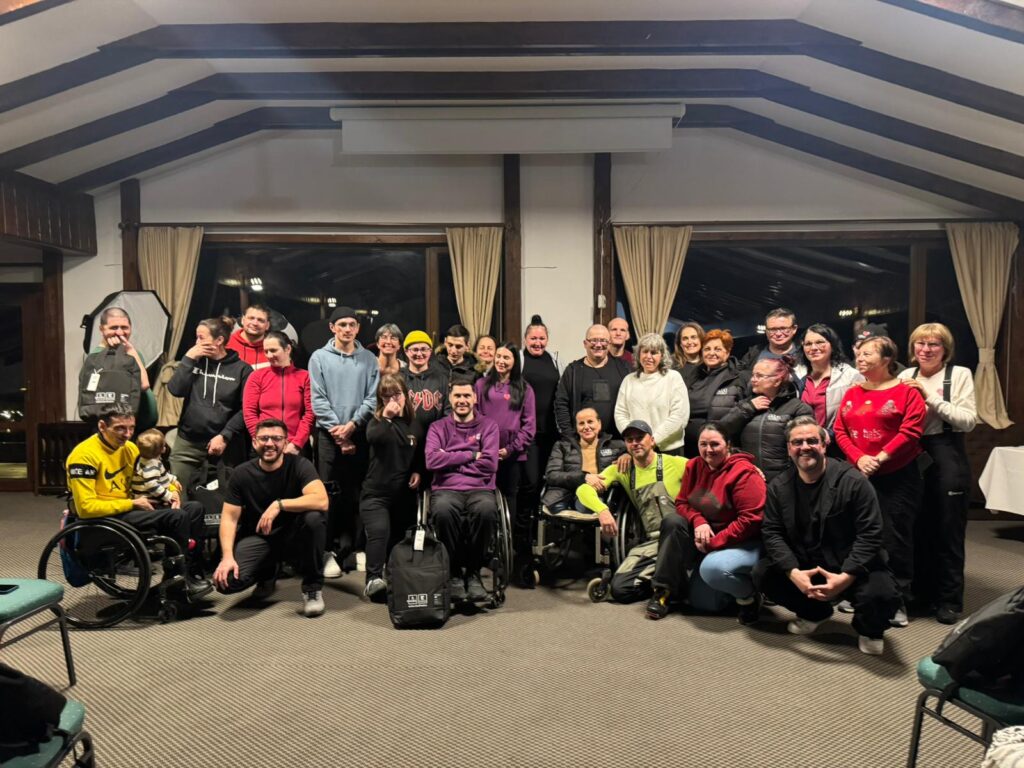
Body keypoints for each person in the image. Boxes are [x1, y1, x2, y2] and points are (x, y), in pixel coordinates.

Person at [752, 416, 901, 656]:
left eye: (812, 441)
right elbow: (772, 532)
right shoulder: (779, 487)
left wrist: (845, 577)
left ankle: (870, 630)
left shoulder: (854, 482)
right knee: (763, 574)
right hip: (807, 563)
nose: (804, 447)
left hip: (851, 564)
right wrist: (793, 572)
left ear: (824, 444)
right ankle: (815, 613)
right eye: (797, 442)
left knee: (882, 594)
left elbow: (871, 535)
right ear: (789, 448)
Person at [65, 404, 209, 595]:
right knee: (177, 517)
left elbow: (157, 474)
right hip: (103, 519)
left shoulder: (130, 448)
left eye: (131, 428)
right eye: (120, 428)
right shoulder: (84, 456)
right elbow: (86, 508)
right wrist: (132, 503)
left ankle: (189, 572)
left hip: (132, 508)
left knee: (194, 509)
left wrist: (172, 492)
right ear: (102, 426)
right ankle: (176, 582)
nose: (127, 434)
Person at [834, 335, 926, 627]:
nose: (860, 358)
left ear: (887, 359)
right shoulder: (852, 392)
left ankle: (896, 600)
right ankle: (859, 592)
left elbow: (911, 431)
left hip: (897, 474)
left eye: (868, 354)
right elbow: (840, 430)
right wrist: (859, 458)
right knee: (856, 534)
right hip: (859, 473)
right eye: (859, 354)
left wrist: (879, 458)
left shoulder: (907, 392)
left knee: (894, 537)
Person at [898, 322, 978, 624]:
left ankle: (949, 600)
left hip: (947, 450)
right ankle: (921, 593)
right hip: (912, 451)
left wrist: (929, 397)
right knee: (917, 527)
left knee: (948, 528)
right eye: (921, 343)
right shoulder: (906, 375)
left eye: (934, 344)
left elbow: (968, 420)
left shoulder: (959, 375)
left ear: (945, 349)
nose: (926, 349)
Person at [212, 418, 329, 618]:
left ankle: (312, 588)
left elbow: (322, 500)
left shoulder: (300, 465)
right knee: (226, 582)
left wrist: (279, 504)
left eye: (276, 438)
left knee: (314, 519)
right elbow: (229, 518)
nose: (270, 443)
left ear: (285, 442)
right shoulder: (241, 473)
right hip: (261, 538)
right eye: (264, 438)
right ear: (254, 442)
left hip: (295, 538)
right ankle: (268, 572)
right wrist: (227, 557)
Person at [649, 422, 766, 622]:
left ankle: (750, 594)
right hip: (707, 537)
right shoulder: (694, 466)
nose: (708, 450)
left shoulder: (744, 473)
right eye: (703, 444)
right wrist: (698, 520)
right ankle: (663, 591)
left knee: (707, 596)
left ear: (728, 445)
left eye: (715, 444)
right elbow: (682, 502)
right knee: (673, 522)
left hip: (742, 542)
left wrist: (713, 543)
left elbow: (750, 521)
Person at [575, 420, 686, 604]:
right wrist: (603, 511)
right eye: (629, 440)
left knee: (673, 522)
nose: (635, 443)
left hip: (679, 538)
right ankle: (672, 582)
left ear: (652, 440)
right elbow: (583, 491)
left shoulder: (675, 463)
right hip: (653, 542)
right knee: (620, 590)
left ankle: (666, 586)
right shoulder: (622, 470)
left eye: (640, 438)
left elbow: (709, 472)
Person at [308, 306, 380, 578]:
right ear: (332, 328)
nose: (347, 329)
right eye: (342, 325)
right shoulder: (319, 358)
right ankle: (328, 551)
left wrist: (352, 426)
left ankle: (357, 549)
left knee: (360, 493)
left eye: (352, 324)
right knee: (328, 495)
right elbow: (318, 400)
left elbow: (372, 398)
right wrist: (339, 433)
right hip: (329, 435)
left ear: (358, 328)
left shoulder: (369, 359)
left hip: (360, 432)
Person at [425, 374, 500, 603]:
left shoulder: (489, 426)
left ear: (475, 398)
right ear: (450, 398)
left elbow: (490, 464)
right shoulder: (437, 427)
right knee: (443, 511)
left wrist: (449, 459)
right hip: (445, 489)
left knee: (486, 511)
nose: (462, 400)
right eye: (457, 395)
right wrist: (471, 455)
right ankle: (455, 573)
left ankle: (474, 572)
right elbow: (432, 461)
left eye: (467, 395)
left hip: (480, 488)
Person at [167, 317, 252, 499]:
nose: (197, 342)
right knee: (179, 498)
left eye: (201, 337)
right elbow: (175, 390)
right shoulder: (194, 362)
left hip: (223, 446)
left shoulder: (242, 370)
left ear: (219, 340)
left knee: (219, 501)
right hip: (187, 443)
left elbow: (246, 409)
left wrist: (225, 435)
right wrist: (188, 358)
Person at [475, 343, 536, 582]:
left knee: (509, 502)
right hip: (485, 455)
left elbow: (529, 426)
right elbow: (475, 417)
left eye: (506, 358)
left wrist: (509, 449)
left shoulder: (525, 389)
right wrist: (487, 447)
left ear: (514, 362)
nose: (501, 361)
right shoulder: (481, 385)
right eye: (498, 356)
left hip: (512, 457)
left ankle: (504, 552)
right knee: (484, 501)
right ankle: (484, 551)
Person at [360, 374, 424, 601]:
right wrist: (386, 417)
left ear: (405, 395)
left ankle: (394, 576)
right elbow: (374, 438)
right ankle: (373, 579)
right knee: (379, 532)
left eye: (396, 394)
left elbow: (419, 453)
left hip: (403, 494)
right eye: (386, 396)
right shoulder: (376, 422)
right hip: (376, 494)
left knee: (399, 538)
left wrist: (418, 470)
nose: (393, 400)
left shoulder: (414, 424)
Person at [719, 356, 813, 481]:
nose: (753, 379)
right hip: (748, 476)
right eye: (753, 375)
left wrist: (788, 476)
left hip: (785, 480)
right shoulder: (745, 404)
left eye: (759, 376)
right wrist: (748, 408)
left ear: (777, 381)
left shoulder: (798, 408)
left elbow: (804, 447)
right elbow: (722, 432)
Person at [518, 315, 563, 534]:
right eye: (533, 338)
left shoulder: (555, 360)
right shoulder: (519, 360)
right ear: (525, 339)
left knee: (550, 483)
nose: (538, 343)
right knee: (531, 484)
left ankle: (544, 531)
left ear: (547, 339)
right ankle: (524, 534)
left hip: (552, 434)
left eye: (542, 338)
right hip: (528, 435)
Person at [614, 332, 689, 455]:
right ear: (638, 354)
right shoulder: (629, 380)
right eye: (645, 352)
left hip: (669, 450)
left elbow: (679, 416)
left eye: (654, 353)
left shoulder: (673, 378)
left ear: (662, 355)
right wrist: (633, 439)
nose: (648, 356)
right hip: (638, 448)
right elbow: (620, 414)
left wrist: (652, 440)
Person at [553, 324, 631, 439]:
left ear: (609, 343)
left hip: (617, 441)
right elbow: (561, 404)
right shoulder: (573, 371)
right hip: (582, 442)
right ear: (585, 343)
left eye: (603, 340)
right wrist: (570, 437)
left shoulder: (624, 368)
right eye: (594, 340)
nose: (598, 345)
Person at [242, 331, 314, 456]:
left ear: (288, 349)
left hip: (296, 447)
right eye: (266, 351)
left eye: (273, 350)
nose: (269, 355)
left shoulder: (305, 377)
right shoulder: (257, 376)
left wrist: (297, 443)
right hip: (265, 446)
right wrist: (262, 440)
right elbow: (249, 412)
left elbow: (310, 413)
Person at [543, 407, 624, 512]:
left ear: (599, 424)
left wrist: (627, 455)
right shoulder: (562, 446)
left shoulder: (617, 446)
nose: (586, 427)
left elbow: (635, 454)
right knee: (556, 508)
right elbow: (551, 475)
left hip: (596, 494)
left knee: (586, 506)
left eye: (590, 422)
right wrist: (583, 477)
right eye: (581, 423)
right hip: (563, 494)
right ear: (576, 427)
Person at [683, 329, 748, 458]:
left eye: (717, 349)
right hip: (690, 448)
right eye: (707, 349)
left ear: (727, 352)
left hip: (720, 449)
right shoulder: (693, 376)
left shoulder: (739, 378)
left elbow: (742, 414)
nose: (711, 353)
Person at [93, 307, 158, 431]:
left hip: (141, 427)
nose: (120, 332)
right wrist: (129, 352)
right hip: (121, 429)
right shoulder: (98, 356)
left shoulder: (133, 353)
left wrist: (130, 352)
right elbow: (143, 384)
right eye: (113, 328)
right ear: (102, 329)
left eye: (124, 327)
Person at [799, 323, 864, 447]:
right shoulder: (799, 377)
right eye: (808, 344)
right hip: (805, 446)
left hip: (838, 446)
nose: (813, 347)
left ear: (832, 345)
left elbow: (857, 418)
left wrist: (829, 434)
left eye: (820, 342)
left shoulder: (851, 376)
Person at [401, 330, 448, 431]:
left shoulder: (441, 378)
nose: (419, 354)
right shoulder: (398, 378)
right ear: (406, 351)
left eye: (424, 349)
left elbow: (448, 412)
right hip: (404, 435)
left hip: (435, 436)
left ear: (430, 351)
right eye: (415, 349)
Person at [738, 308, 803, 373]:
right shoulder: (753, 353)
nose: (778, 334)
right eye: (773, 329)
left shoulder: (804, 353)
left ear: (794, 329)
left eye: (783, 328)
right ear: (766, 331)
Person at [131, 428, 178, 507]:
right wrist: (168, 495)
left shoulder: (143, 459)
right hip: (151, 502)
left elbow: (161, 474)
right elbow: (152, 486)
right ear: (162, 449)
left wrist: (173, 479)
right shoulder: (151, 466)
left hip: (153, 498)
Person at [226, 304, 272, 370]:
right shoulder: (225, 342)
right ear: (242, 320)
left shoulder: (274, 348)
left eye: (260, 320)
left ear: (267, 325)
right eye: (251, 318)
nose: (255, 323)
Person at [673, 321, 705, 387]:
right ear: (680, 344)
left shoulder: (709, 365)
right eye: (685, 339)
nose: (689, 342)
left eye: (693, 337)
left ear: (701, 340)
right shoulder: (670, 364)